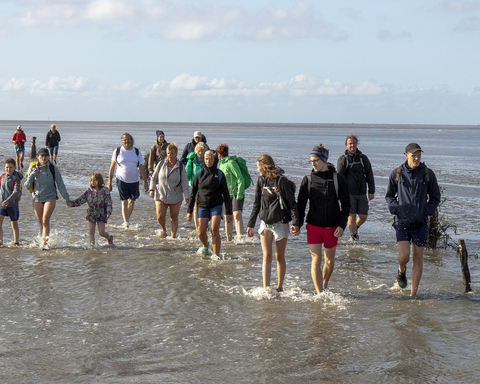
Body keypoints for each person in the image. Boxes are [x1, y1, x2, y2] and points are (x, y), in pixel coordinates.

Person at [385, 143, 441, 297]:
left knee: (418, 258)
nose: (416, 158)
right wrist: (397, 210)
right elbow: (389, 196)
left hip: (421, 223)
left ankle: (413, 295)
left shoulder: (428, 173)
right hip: (402, 222)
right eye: (413, 155)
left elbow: (436, 197)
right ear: (406, 155)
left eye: (418, 155)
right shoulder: (396, 173)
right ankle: (401, 270)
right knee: (404, 256)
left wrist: (427, 211)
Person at [295, 145, 350, 293]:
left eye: (316, 160)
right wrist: (297, 224)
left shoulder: (338, 179)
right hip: (313, 226)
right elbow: (300, 205)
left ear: (324, 160)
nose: (313, 163)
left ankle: (324, 283)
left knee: (329, 261)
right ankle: (319, 293)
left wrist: (342, 225)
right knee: (316, 259)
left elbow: (346, 205)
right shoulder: (307, 180)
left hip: (332, 228)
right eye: (311, 161)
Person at [247, 155, 299, 292]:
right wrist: (250, 224)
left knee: (279, 256)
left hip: (281, 223)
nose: (258, 170)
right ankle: (266, 288)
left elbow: (292, 204)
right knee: (267, 256)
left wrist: (296, 223)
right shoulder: (261, 181)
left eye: (258, 168)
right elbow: (256, 203)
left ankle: (280, 287)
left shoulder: (281, 182)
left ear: (264, 167)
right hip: (265, 223)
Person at [187, 150, 232, 257]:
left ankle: (216, 255)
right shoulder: (199, 174)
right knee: (201, 232)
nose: (209, 161)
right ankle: (206, 245)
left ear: (214, 160)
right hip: (202, 205)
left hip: (216, 205)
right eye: (206, 159)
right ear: (204, 160)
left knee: (214, 229)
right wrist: (189, 211)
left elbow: (226, 194)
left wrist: (228, 212)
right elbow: (193, 194)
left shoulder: (220, 174)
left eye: (211, 159)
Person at [24, 148, 71, 249]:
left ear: (49, 157)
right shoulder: (32, 168)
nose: (43, 157)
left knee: (45, 219)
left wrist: (66, 198)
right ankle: (44, 240)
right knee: (41, 222)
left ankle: (44, 244)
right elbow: (27, 186)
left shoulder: (53, 169)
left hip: (50, 197)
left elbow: (60, 184)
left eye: (45, 155)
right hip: (37, 198)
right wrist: (32, 176)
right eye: (41, 156)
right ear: (37, 157)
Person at [337, 134, 375, 242]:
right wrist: (339, 194)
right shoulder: (342, 159)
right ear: (346, 145)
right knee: (351, 216)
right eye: (350, 143)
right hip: (348, 194)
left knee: (363, 216)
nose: (352, 145)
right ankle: (354, 237)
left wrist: (371, 191)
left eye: (353, 143)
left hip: (362, 193)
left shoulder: (363, 158)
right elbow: (339, 178)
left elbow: (369, 175)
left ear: (357, 144)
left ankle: (355, 228)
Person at [149, 143, 190, 238]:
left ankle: (173, 237)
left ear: (176, 154)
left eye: (171, 153)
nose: (169, 155)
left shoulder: (180, 166)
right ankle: (163, 228)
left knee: (174, 217)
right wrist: (152, 189)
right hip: (161, 194)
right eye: (168, 153)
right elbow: (154, 178)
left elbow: (184, 182)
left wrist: (187, 197)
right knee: (160, 215)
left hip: (175, 195)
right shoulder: (161, 164)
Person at [108, 133, 148, 228]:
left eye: (128, 139)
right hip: (121, 180)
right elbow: (112, 167)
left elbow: (142, 168)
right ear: (122, 141)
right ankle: (126, 223)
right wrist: (109, 182)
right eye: (125, 140)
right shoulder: (117, 151)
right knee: (124, 201)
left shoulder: (137, 152)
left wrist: (145, 181)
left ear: (131, 140)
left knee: (132, 201)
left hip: (134, 180)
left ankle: (127, 219)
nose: (127, 141)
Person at [67, 172, 114, 247]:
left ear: (99, 181)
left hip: (101, 214)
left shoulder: (105, 191)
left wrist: (108, 211)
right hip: (91, 213)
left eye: (95, 180)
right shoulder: (89, 192)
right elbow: (81, 199)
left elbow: (108, 202)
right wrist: (72, 203)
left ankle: (109, 237)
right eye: (91, 180)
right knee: (91, 231)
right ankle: (92, 247)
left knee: (101, 233)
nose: (93, 182)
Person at [216, 144, 245, 241]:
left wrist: (239, 194)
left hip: (236, 193)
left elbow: (240, 178)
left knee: (237, 215)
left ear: (220, 154)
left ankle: (240, 238)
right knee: (228, 218)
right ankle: (229, 240)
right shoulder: (221, 165)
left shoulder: (231, 163)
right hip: (226, 196)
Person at [0, 158, 24, 245]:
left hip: (13, 205)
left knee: (14, 224)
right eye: (7, 167)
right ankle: (0, 241)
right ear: (4, 167)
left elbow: (16, 192)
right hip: (2, 204)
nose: (8, 169)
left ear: (14, 167)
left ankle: (16, 242)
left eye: (10, 167)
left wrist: (8, 200)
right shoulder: (2, 176)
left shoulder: (16, 178)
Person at [185, 142, 207, 229]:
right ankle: (197, 225)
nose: (200, 153)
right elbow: (188, 173)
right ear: (196, 151)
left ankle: (204, 223)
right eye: (199, 151)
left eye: (202, 151)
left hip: (205, 187)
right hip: (194, 186)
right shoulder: (192, 161)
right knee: (195, 207)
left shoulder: (207, 160)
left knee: (205, 206)